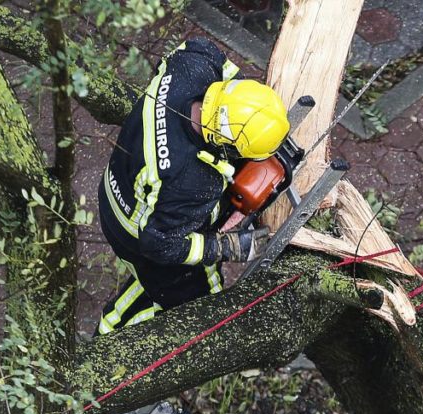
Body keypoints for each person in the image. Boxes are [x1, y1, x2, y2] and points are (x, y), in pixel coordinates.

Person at [96, 38, 290, 335]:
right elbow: (159, 244)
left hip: (122, 178)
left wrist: (252, 116)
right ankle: (111, 342)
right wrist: (222, 246)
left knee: (158, 279)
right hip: (133, 229)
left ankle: (119, 317)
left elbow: (201, 47)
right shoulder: (192, 179)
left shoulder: (192, 68)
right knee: (194, 298)